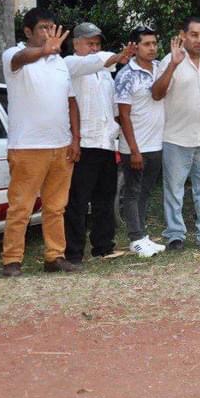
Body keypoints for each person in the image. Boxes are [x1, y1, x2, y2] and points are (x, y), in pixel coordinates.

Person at [0, 8, 81, 277]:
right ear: (27, 32)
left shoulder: (59, 63)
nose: (49, 33)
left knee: (56, 207)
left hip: (60, 146)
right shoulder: (13, 55)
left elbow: (71, 102)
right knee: (20, 207)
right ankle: (12, 260)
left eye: (52, 28)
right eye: (43, 28)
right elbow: (22, 58)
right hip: (27, 147)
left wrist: (75, 139)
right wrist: (44, 51)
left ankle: (54, 256)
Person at [62, 23, 134, 266]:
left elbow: (113, 107)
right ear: (76, 44)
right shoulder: (70, 65)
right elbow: (95, 62)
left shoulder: (105, 73)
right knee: (78, 201)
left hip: (105, 143)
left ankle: (103, 247)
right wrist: (117, 56)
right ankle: (73, 252)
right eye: (89, 43)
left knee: (105, 199)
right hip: (84, 143)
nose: (94, 49)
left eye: (97, 44)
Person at [151, 17, 200, 251]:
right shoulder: (169, 61)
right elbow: (157, 94)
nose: (199, 40)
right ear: (183, 35)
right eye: (194, 35)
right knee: (174, 190)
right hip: (176, 138)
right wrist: (172, 64)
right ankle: (175, 235)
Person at [115, 27, 167, 258]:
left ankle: (143, 235)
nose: (152, 48)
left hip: (156, 145)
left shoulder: (159, 68)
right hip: (135, 147)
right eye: (147, 44)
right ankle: (135, 238)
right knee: (133, 192)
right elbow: (123, 115)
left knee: (145, 192)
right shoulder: (127, 75)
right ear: (135, 47)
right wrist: (133, 150)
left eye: (154, 43)